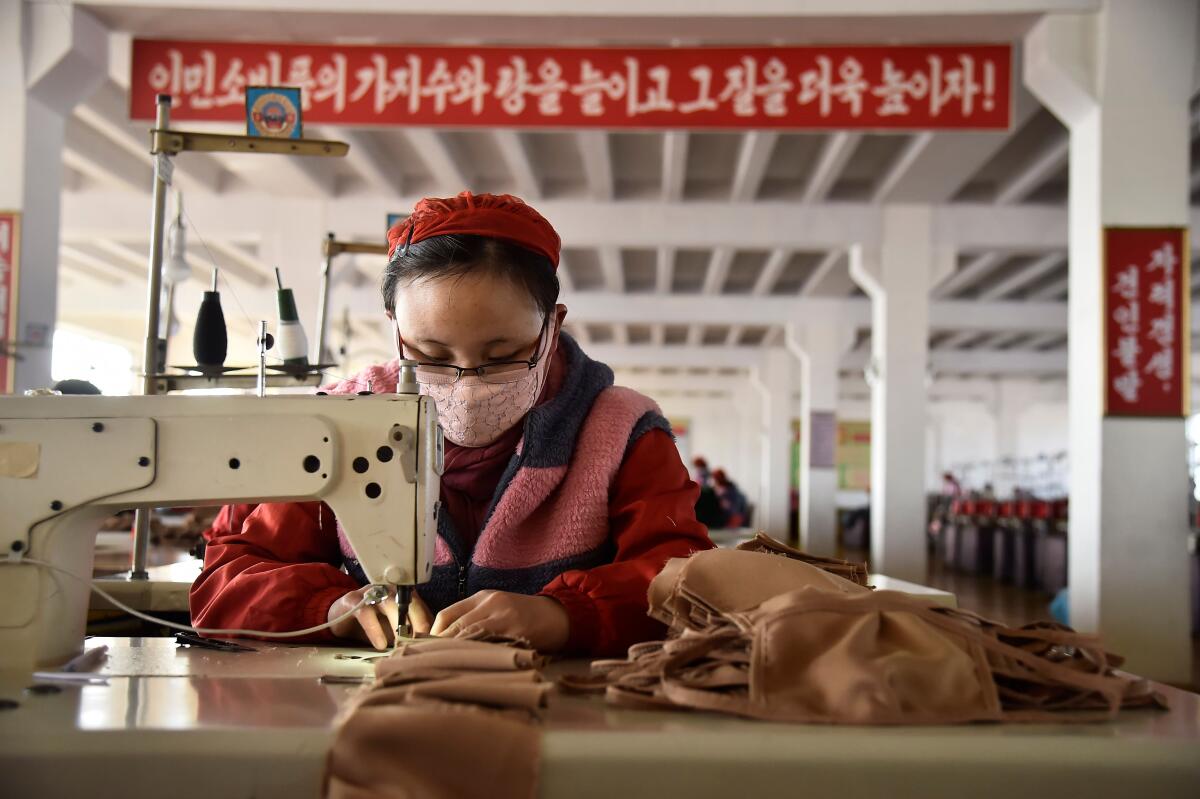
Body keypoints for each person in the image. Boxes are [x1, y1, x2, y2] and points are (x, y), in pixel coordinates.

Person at [191, 192, 713, 657]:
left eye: (503, 354)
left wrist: (563, 615)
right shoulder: (332, 425)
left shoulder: (623, 434)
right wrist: (330, 608)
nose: (467, 384)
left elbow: (690, 580)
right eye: (431, 355)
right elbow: (226, 579)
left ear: (552, 326)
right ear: (395, 330)